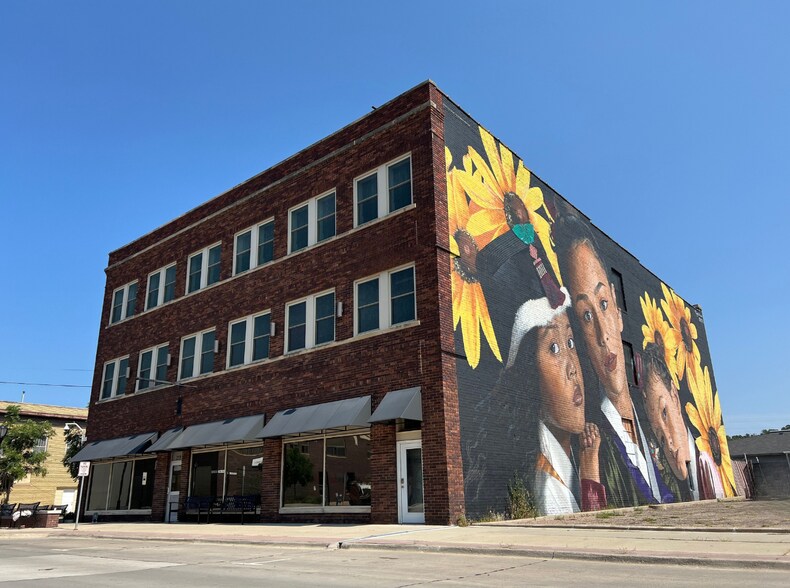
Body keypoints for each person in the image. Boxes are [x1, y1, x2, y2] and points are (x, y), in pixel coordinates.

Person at [475, 225, 606, 515]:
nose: (573, 369)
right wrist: (590, 467)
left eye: (570, 341)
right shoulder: (547, 487)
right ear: (527, 377)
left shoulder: (569, 453)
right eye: (554, 349)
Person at [554, 213, 673, 506]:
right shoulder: (592, 442)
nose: (602, 335)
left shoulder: (653, 431)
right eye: (585, 316)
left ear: (619, 314)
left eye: (603, 304)